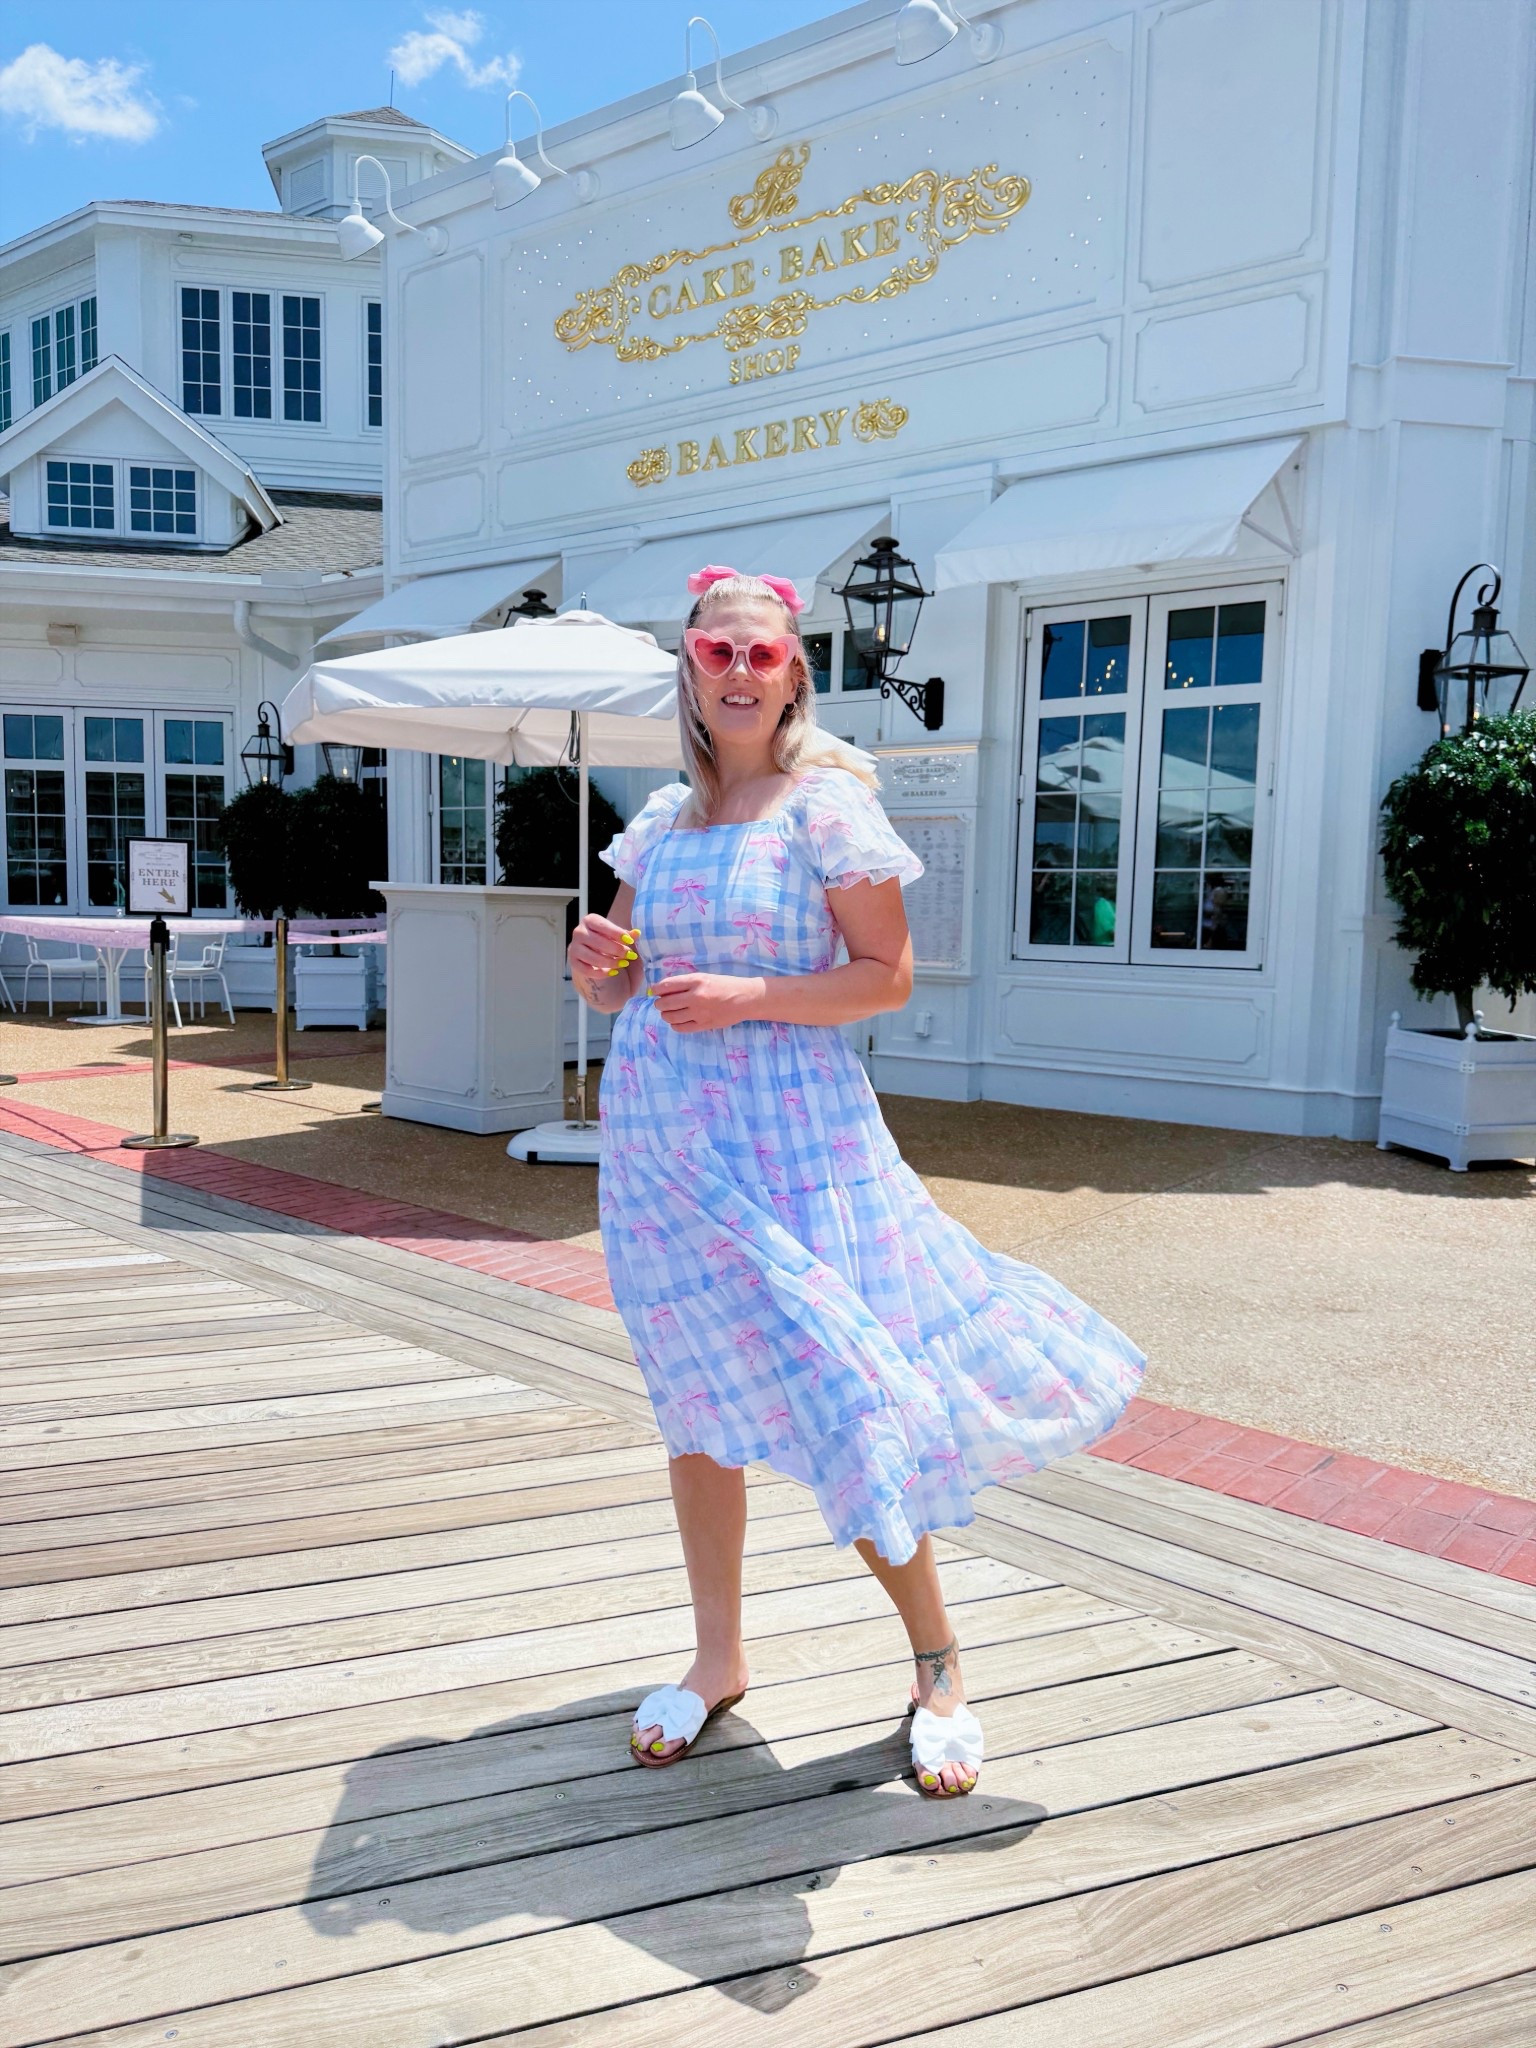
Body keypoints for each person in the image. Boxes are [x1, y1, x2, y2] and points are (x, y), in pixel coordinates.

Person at [569, 566, 1145, 1798]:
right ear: (688, 670)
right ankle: (718, 1656)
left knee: (850, 1389)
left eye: (760, 653)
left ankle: (938, 1662)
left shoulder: (826, 806)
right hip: (666, 1152)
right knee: (695, 1406)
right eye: (716, 653)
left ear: (794, 672)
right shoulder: (660, 822)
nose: (738, 672)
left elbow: (887, 973)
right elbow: (622, 982)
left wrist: (752, 995)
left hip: (798, 1146)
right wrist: (596, 967)